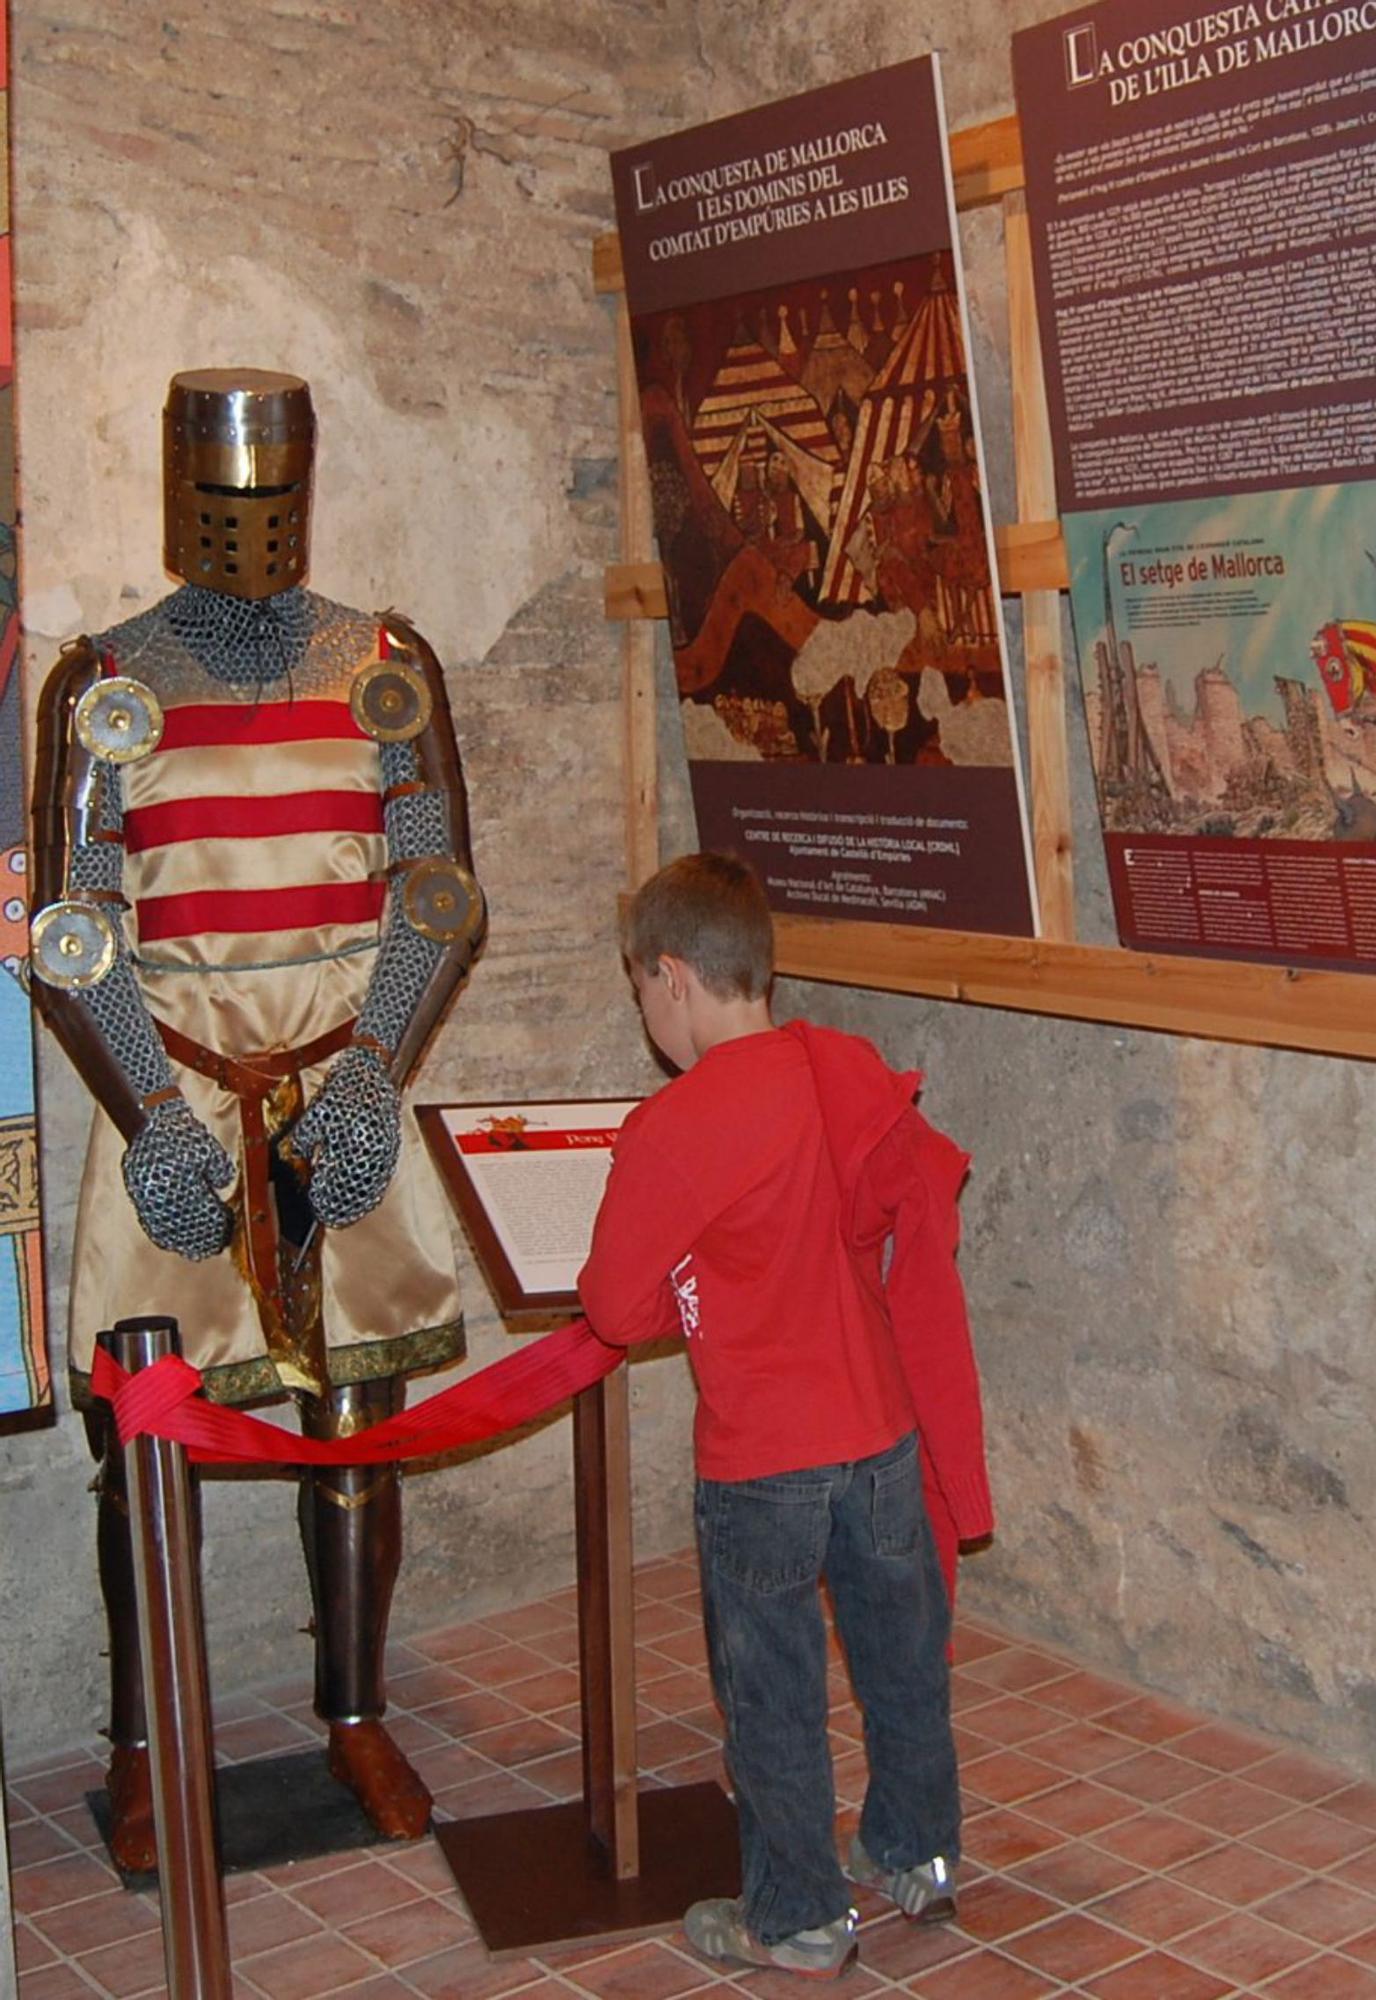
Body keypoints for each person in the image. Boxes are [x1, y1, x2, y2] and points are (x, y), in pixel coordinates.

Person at [30, 369, 485, 1870]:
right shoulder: (105, 682)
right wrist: (148, 1114)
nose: (248, 523)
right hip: (176, 1083)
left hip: (332, 1081)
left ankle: (353, 1715)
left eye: (268, 494)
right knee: (149, 1441)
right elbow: (77, 932)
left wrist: (371, 1077)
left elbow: (430, 898)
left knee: (355, 1421)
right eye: (224, 497)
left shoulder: (382, 665)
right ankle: (147, 1741)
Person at [577, 852, 992, 1980]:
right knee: (903, 1658)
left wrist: (695, 1287)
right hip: (882, 1428)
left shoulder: (677, 1120)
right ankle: (918, 1855)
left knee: (772, 1686)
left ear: (672, 977)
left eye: (640, 991)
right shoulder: (841, 1065)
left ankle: (801, 1913)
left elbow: (613, 1304)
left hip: (764, 1453)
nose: (648, 1015)